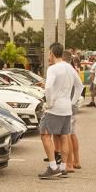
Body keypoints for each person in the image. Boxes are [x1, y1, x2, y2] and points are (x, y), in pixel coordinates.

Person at [38, 42, 83, 179]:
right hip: (66, 109)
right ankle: (63, 168)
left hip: (55, 108)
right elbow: (79, 86)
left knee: (45, 134)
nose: (49, 56)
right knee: (64, 136)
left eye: (49, 53)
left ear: (52, 53)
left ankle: (53, 166)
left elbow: (48, 87)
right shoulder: (69, 67)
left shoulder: (53, 69)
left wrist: (49, 103)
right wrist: (72, 101)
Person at [62, 50, 82, 172]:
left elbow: (79, 87)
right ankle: (76, 160)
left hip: (68, 105)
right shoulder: (72, 70)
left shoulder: (66, 70)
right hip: (72, 105)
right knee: (72, 133)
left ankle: (69, 163)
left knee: (67, 134)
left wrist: (72, 102)